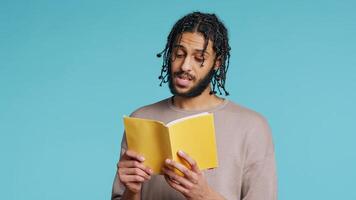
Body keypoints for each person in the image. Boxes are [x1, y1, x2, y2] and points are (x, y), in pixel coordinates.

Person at [111, 11, 277, 200]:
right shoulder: (141, 118)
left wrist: (203, 195)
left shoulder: (252, 127)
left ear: (217, 63)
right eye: (179, 54)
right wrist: (131, 191)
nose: (185, 66)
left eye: (199, 58)